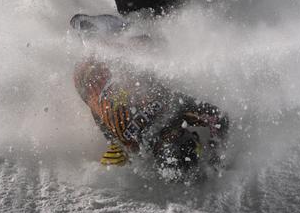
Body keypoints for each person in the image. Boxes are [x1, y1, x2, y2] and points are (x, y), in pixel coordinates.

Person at [71, 14, 228, 178]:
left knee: (153, 51)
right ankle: (92, 36)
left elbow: (220, 119)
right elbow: (220, 118)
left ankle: (92, 36)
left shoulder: (174, 108)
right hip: (83, 77)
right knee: (107, 113)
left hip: (95, 67)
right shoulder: (134, 143)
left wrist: (217, 154)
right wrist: (216, 156)